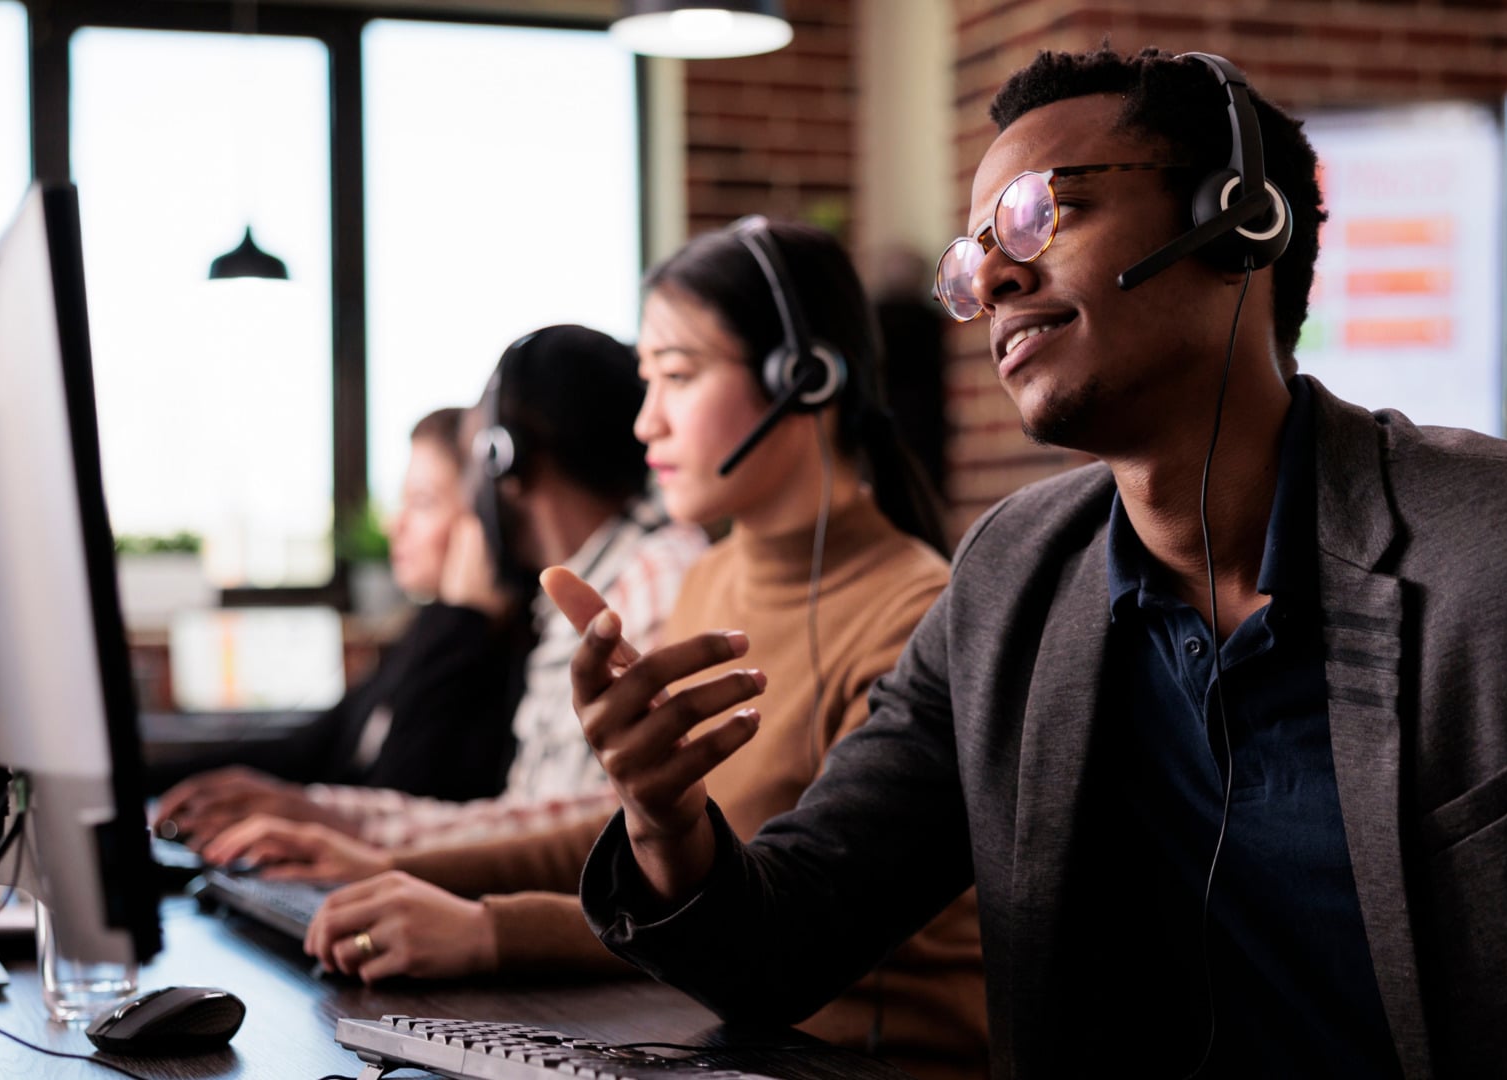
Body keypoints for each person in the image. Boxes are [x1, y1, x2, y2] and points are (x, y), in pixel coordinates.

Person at [563, 46, 1507, 1079]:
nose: (997, 282)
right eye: (976, 260)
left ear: (1238, 219)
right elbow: (784, 944)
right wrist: (667, 821)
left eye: (1034, 216)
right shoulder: (1010, 583)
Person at [208, 221, 990, 1080]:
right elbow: (646, 839)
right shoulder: (717, 577)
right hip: (713, 1034)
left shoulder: (912, 612)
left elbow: (755, 902)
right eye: (646, 380)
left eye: (679, 377)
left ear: (801, 379)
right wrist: (397, 866)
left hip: (848, 1059)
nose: (646, 419)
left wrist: (488, 932)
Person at [156, 325, 706, 850]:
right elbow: (538, 816)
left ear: (502, 461)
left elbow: (600, 838)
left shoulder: (647, 582)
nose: (471, 500)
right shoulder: (572, 595)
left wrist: (362, 841)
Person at [145, 408, 527, 818]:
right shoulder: (424, 635)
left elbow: (402, 794)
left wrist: (461, 616)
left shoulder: (497, 655)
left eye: (422, 502)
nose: (394, 526)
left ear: (486, 522)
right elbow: (306, 749)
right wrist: (137, 775)